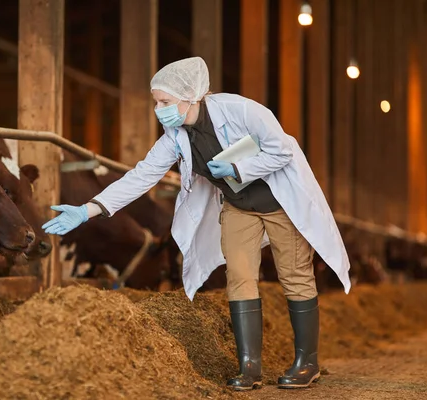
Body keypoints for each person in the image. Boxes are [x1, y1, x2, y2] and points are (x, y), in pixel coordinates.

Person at [43, 57, 351, 390]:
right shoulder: (175, 136)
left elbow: (283, 151)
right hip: (238, 207)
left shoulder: (243, 111)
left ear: (191, 96)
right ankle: (250, 367)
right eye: (156, 103)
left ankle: (307, 363)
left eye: (165, 102)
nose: (159, 109)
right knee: (239, 277)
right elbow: (140, 176)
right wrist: (90, 208)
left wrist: (238, 170)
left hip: (281, 204)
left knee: (295, 275)